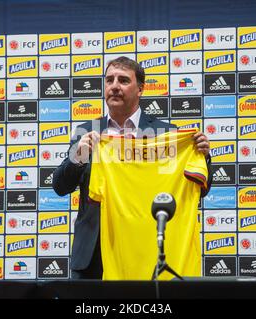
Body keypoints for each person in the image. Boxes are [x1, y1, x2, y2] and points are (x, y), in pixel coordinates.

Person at [53, 56, 212, 279]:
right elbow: (60, 185)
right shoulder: (86, 130)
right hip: (93, 256)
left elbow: (195, 191)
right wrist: (78, 155)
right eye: (109, 80)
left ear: (140, 89)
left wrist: (202, 157)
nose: (115, 86)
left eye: (123, 80)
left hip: (146, 250)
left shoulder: (165, 134)